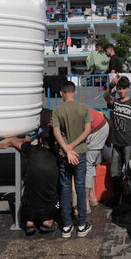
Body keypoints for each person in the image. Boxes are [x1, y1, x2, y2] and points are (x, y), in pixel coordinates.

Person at [52, 81, 93, 238]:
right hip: (80, 153)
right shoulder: (84, 109)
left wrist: (67, 149)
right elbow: (87, 130)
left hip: (64, 155)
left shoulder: (57, 111)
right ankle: (82, 225)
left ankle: (66, 226)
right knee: (81, 187)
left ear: (62, 94)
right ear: (75, 92)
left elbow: (56, 133)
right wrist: (74, 147)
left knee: (65, 188)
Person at [5, 124, 60, 236]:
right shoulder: (57, 156)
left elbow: (12, 141)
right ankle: (47, 222)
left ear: (40, 140)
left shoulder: (32, 150)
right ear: (55, 142)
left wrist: (25, 139)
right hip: (48, 207)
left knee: (29, 188)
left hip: (28, 209)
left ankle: (30, 223)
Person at [103, 75, 131, 214]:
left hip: (129, 144)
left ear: (128, 89)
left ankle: (130, 201)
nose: (121, 91)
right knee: (114, 172)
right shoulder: (115, 102)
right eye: (119, 89)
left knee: (130, 173)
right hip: (116, 144)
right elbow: (106, 96)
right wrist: (111, 85)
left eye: (123, 88)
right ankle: (117, 198)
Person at [85, 105, 110, 211]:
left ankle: (86, 202)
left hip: (98, 135)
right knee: (90, 165)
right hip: (99, 135)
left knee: (88, 165)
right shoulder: (99, 115)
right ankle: (92, 196)